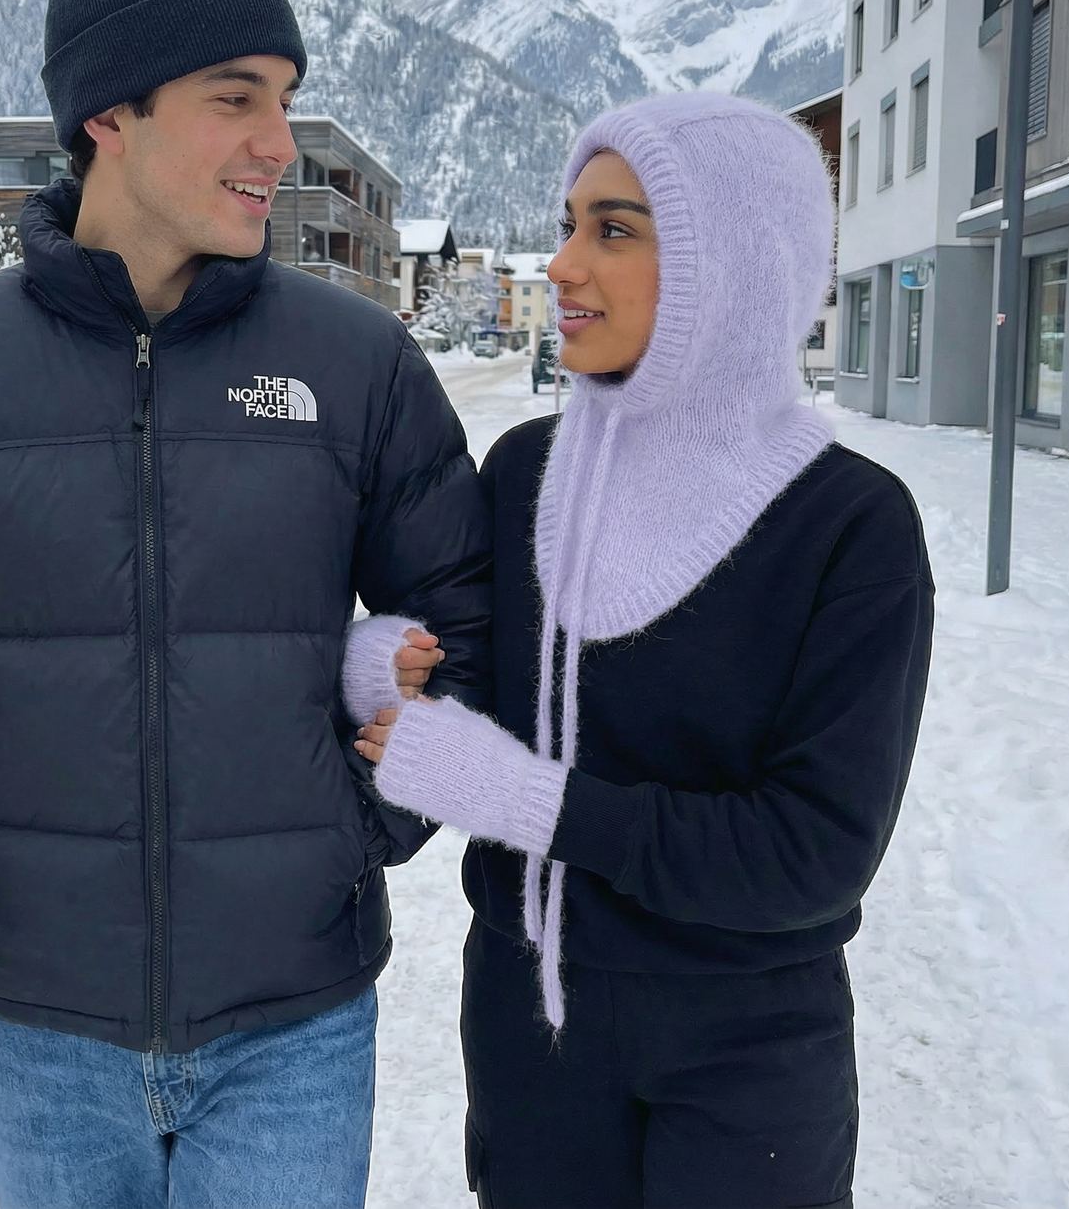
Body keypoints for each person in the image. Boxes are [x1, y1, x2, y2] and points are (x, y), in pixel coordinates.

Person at [0, 0, 490, 1209]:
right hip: (45, 1030)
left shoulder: (356, 366)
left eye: (284, 101)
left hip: (295, 1020)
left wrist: (357, 822)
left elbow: (466, 627)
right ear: (111, 113)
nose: (279, 143)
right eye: (236, 98)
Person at [346, 94, 934, 1209]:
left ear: (738, 268)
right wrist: (391, 667)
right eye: (568, 223)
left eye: (613, 229)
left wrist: (529, 802)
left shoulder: (848, 525)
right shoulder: (524, 473)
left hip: (747, 1050)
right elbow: (470, 702)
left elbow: (812, 853)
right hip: (529, 1029)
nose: (564, 265)